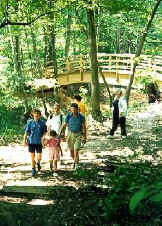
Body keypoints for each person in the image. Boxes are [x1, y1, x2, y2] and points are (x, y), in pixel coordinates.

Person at [59, 103, 86, 169]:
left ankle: (76, 164)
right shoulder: (68, 115)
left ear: (77, 109)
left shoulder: (81, 116)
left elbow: (83, 127)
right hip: (70, 134)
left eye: (75, 110)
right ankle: (76, 161)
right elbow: (64, 124)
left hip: (78, 134)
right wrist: (60, 133)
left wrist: (84, 137)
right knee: (71, 152)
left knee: (76, 149)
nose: (73, 111)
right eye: (72, 110)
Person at [24, 109, 47, 176]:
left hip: (39, 142)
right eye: (35, 113)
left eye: (38, 114)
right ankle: (33, 169)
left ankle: (38, 163)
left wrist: (44, 139)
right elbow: (26, 132)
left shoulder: (42, 123)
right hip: (31, 142)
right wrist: (24, 141)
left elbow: (45, 132)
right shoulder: (30, 122)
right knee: (32, 157)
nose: (36, 115)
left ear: (40, 115)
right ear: (33, 114)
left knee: (39, 157)